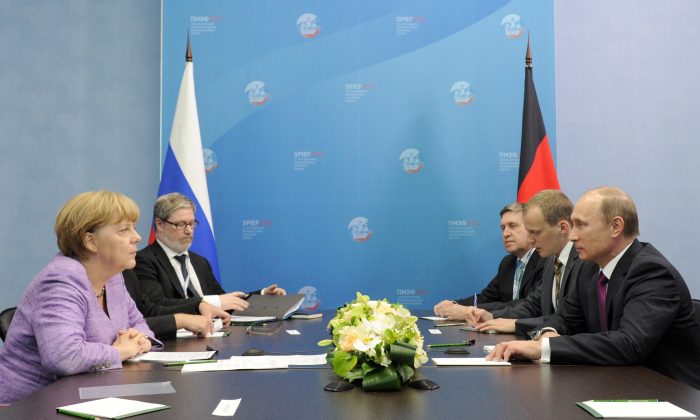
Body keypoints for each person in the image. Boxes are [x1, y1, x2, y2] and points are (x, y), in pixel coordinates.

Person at [487, 187, 700, 389]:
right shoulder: (589, 268)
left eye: (581, 225)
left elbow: (630, 343)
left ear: (616, 226)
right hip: (613, 381)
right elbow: (566, 319)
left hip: (666, 391)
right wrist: (546, 334)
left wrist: (541, 348)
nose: (572, 236)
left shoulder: (652, 272)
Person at [0, 191, 157, 405]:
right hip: (29, 405)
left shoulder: (112, 277)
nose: (137, 237)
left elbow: (139, 323)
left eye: (134, 228)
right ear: (90, 241)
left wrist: (141, 341)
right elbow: (64, 357)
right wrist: (120, 350)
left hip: (90, 394)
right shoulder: (61, 280)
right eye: (124, 230)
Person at [462, 190, 589, 336]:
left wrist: (517, 325)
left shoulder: (584, 262)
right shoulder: (551, 262)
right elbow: (533, 305)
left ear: (562, 228)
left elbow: (571, 321)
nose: (531, 240)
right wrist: (492, 316)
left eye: (536, 232)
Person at [135, 193, 286, 311]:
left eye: (192, 223)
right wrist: (214, 302)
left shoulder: (200, 262)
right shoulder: (144, 260)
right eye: (180, 224)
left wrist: (262, 295)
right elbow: (156, 304)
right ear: (159, 224)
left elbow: (224, 299)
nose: (189, 231)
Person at [434, 203, 545, 319]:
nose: (505, 234)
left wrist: (471, 311)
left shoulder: (544, 261)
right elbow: (486, 297)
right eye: (503, 228)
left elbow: (526, 304)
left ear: (531, 229)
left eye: (513, 226)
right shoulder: (508, 263)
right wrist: (455, 305)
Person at [122, 269, 230, 339]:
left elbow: (150, 311)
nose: (137, 238)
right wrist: (180, 320)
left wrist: (198, 306)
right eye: (123, 232)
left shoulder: (127, 273)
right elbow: (122, 327)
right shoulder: (137, 264)